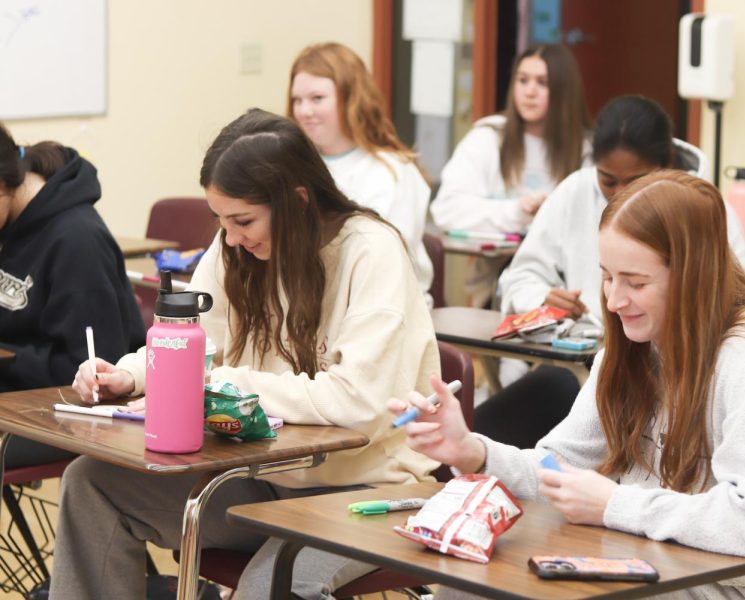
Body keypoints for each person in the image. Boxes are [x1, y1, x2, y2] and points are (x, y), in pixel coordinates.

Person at [54, 109, 440, 599]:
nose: (230, 236)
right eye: (220, 221)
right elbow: (192, 341)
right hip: (266, 481)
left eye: (242, 220)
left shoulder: (371, 252)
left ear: (298, 201)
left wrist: (227, 385)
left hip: (366, 494)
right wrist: (129, 375)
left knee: (268, 585)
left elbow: (357, 405)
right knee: (92, 484)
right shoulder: (236, 249)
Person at [392, 170, 745, 600]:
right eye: (607, 276)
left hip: (729, 587)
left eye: (636, 282)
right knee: (466, 586)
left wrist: (614, 505)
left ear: (694, 277)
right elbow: (557, 471)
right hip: (646, 557)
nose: (614, 301)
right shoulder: (636, 346)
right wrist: (473, 451)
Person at [499, 94, 745, 322]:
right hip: (587, 357)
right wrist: (542, 298)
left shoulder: (705, 208)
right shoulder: (575, 191)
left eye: (636, 181)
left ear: (667, 162)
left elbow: (744, 304)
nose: (620, 195)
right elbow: (520, 278)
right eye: (608, 181)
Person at [0, 122, 144, 468]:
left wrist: (9, 361)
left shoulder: (78, 240)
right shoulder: (10, 223)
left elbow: (94, 371)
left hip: (73, 413)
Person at [429, 43, 591, 306]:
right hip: (493, 280)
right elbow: (447, 209)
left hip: (566, 282)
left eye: (543, 82)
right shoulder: (488, 137)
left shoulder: (585, 150)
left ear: (564, 90)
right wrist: (516, 212)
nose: (529, 91)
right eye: (522, 80)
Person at [287, 42, 433, 304]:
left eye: (317, 99)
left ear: (350, 99)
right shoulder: (291, 167)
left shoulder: (393, 171)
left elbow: (383, 261)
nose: (304, 111)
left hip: (384, 306)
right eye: (297, 100)